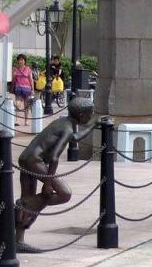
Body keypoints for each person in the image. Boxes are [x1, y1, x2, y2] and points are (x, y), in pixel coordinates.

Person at [15, 98, 98, 253]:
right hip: (35, 161)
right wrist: (47, 183)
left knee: (31, 202)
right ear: (80, 115)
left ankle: (18, 240)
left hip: (26, 158)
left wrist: (93, 125)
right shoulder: (67, 128)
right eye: (89, 114)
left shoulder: (64, 122)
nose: (90, 116)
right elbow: (54, 157)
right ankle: (23, 203)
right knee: (64, 193)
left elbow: (74, 137)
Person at [12, 54, 34, 126]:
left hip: (27, 89)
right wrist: (13, 75)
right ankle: (17, 120)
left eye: (22, 60)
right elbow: (14, 80)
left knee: (26, 106)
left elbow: (31, 80)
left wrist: (32, 89)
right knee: (18, 104)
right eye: (19, 60)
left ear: (24, 61)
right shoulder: (16, 69)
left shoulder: (28, 69)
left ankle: (26, 121)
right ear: (18, 61)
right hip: (18, 89)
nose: (21, 61)